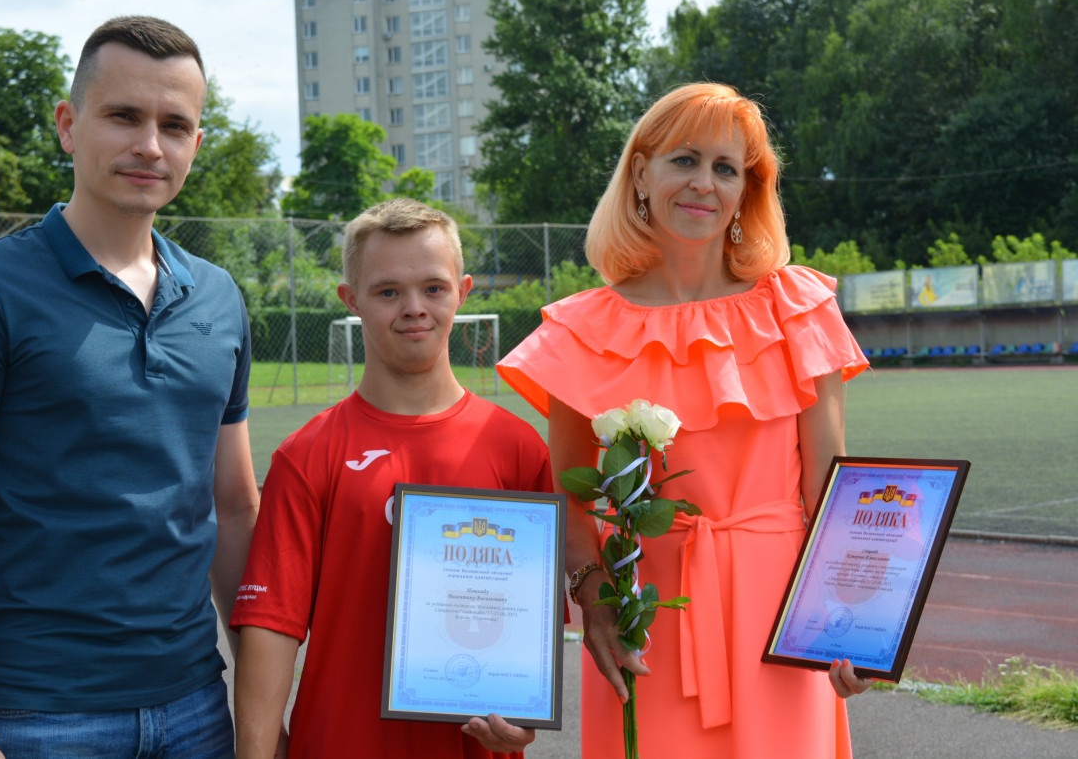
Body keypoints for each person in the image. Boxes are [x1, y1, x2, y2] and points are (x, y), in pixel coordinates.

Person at [0, 16, 258, 758]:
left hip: (197, 706)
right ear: (69, 126)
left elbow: (232, 509)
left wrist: (259, 710)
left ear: (196, 143)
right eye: (123, 116)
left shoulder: (220, 298)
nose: (150, 145)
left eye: (174, 125)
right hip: (38, 715)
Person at [497, 82, 874, 757]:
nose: (705, 183)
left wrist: (857, 624)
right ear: (641, 172)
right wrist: (594, 597)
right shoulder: (582, 329)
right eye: (685, 160)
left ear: (746, 191)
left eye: (726, 168)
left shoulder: (799, 306)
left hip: (782, 620)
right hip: (644, 619)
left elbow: (829, 489)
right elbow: (570, 497)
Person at [231, 198, 551, 759]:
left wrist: (523, 718)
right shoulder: (307, 455)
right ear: (351, 300)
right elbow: (272, 625)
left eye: (433, 288)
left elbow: (528, 632)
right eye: (387, 292)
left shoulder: (517, 448)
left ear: (463, 292)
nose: (414, 308)